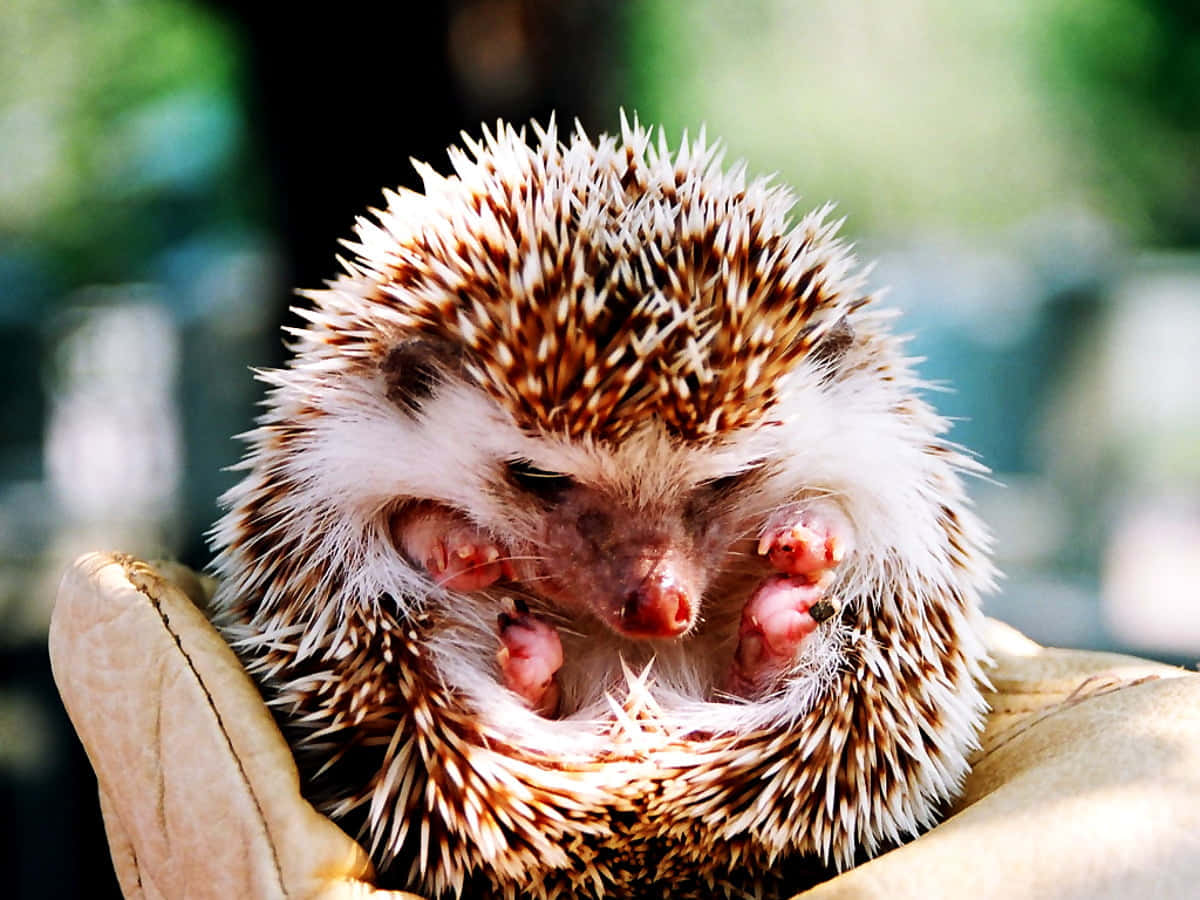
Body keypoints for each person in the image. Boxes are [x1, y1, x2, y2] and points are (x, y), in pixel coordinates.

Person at [51, 552, 1200, 899]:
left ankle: (731, 683)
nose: (652, 594)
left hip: (722, 744)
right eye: (552, 493)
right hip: (515, 742)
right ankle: (696, 682)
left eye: (709, 493)